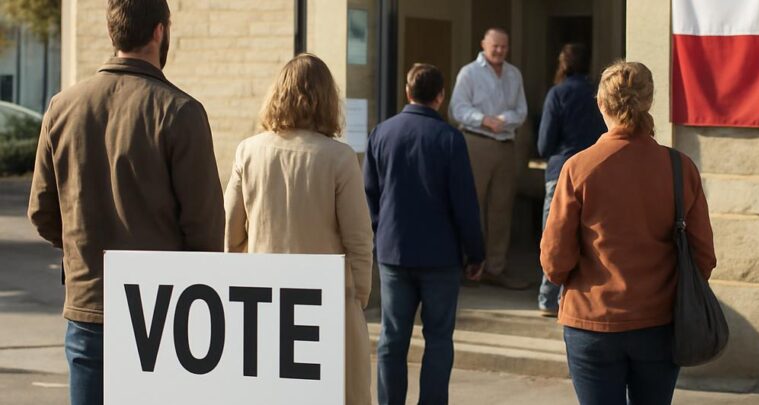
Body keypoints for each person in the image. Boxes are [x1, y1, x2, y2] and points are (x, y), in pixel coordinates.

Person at [27, 1, 225, 404]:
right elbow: (205, 229)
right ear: (159, 32)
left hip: (89, 303)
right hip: (162, 312)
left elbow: (43, 211)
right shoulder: (181, 112)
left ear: (112, 32)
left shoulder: (62, 107)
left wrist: (82, 252)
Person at [540, 61, 716, 405]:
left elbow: (555, 259)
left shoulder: (578, 167)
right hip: (660, 322)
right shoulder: (680, 168)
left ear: (601, 104)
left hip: (591, 321)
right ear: (648, 102)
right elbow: (703, 257)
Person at [224, 53, 373, 405]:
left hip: (263, 300)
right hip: (326, 302)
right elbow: (359, 241)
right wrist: (357, 299)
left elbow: (230, 233)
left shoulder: (248, 151)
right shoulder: (340, 157)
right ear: (327, 100)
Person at [365, 63, 485, 405]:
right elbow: (465, 204)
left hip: (394, 254)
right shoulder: (450, 139)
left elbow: (368, 196)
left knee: (392, 339)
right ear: (441, 96)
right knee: (438, 339)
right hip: (440, 257)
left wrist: (378, 237)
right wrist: (475, 254)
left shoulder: (381, 133)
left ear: (407, 92)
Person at [450, 27, 530, 289]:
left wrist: (503, 121)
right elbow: (457, 109)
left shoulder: (513, 74)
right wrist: (484, 120)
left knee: (501, 208)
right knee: (472, 204)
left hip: (506, 144)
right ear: (484, 44)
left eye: (504, 47)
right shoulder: (469, 73)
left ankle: (495, 267)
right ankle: (469, 265)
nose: (499, 51)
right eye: (495, 46)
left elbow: (521, 110)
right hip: (477, 142)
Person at [536, 43, 606, 317]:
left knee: (554, 235)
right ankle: (584, 298)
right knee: (592, 238)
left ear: (562, 65)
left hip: (561, 171)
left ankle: (549, 297)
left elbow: (544, 144)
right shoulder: (598, 95)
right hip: (595, 173)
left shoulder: (558, 94)